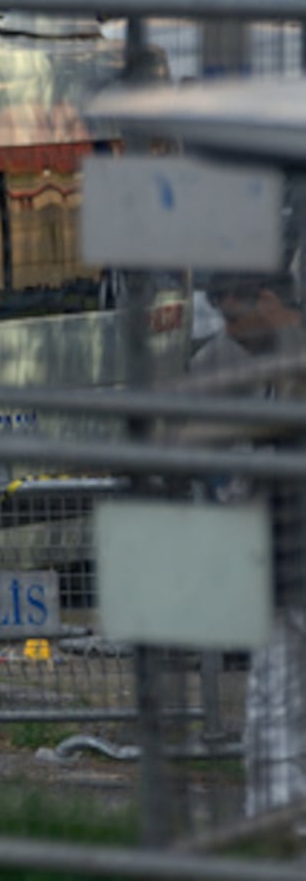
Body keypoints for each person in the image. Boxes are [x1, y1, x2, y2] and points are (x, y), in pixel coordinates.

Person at [191, 266, 306, 824]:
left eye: (235, 315)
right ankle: (279, 827)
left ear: (266, 299)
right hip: (284, 562)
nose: (232, 332)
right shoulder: (267, 361)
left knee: (277, 708)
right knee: (271, 709)